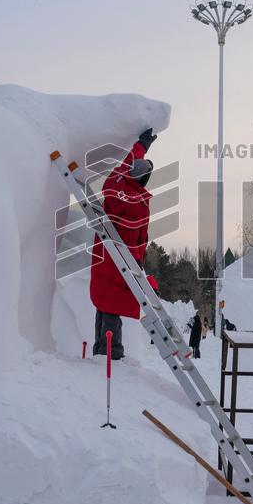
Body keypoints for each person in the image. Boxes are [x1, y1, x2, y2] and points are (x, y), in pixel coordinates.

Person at [90, 128, 157, 360]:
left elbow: (126, 166)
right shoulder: (137, 202)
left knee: (103, 302)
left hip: (104, 253)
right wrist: (139, 260)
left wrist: (141, 146)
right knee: (112, 306)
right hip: (121, 259)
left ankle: (100, 350)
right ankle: (112, 353)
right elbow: (136, 237)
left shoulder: (116, 184)